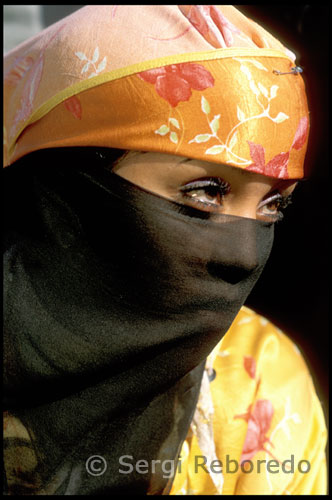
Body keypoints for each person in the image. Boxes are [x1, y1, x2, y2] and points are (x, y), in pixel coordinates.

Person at [3, 5, 327, 495]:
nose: (243, 253)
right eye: (204, 191)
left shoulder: (259, 376)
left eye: (273, 205)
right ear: (67, 188)